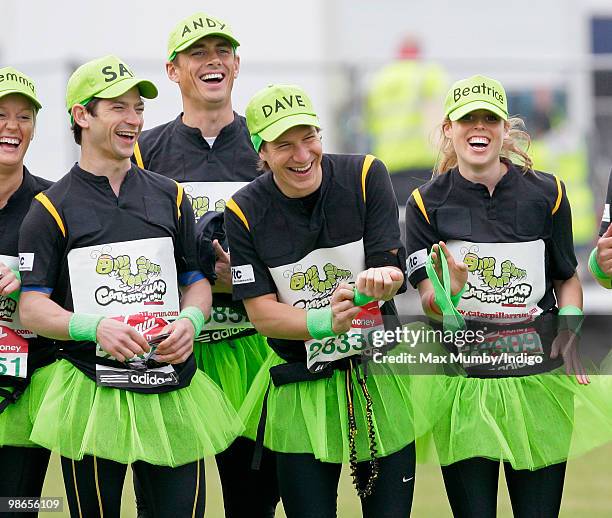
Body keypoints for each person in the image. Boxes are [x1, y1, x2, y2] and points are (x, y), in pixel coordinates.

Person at [18, 55, 242, 517]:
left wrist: (191, 320)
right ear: (82, 116)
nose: (133, 120)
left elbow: (196, 281)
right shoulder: (49, 206)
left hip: (172, 385)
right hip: (92, 389)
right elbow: (32, 307)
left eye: (138, 108)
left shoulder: (170, 194)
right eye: (118, 108)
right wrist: (94, 328)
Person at [404, 74, 610, 517]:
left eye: (489, 119)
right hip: (464, 383)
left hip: (537, 377)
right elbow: (428, 302)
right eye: (467, 120)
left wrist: (570, 326)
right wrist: (450, 293)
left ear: (504, 128)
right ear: (449, 129)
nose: (479, 128)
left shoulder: (547, 192)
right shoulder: (425, 203)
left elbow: (566, 278)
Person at [225, 84, 416, 518]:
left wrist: (381, 281)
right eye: (283, 145)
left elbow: (390, 265)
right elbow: (262, 314)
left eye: (308, 136)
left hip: (377, 374)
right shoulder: (243, 210)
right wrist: (325, 321)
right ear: (263, 152)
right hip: (301, 383)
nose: (301, 154)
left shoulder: (367, 174)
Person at [132, 12, 278, 517]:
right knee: (168, 505)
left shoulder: (271, 145)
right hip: (175, 348)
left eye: (222, 51)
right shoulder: (143, 151)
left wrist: (243, 270)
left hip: (254, 349)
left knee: (253, 501)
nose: (212, 60)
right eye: (198, 52)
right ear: (173, 71)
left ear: (236, 64)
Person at [0, 67, 55, 514]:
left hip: (27, 388)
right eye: (0, 114)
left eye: (23, 116)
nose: (12, 127)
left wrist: (35, 279)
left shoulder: (53, 204)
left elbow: (83, 287)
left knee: (17, 507)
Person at [365, 35, 447, 205]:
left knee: (398, 218)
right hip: (423, 163)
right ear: (418, 53)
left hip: (389, 164)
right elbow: (439, 119)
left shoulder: (380, 80)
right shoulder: (427, 75)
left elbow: (369, 126)